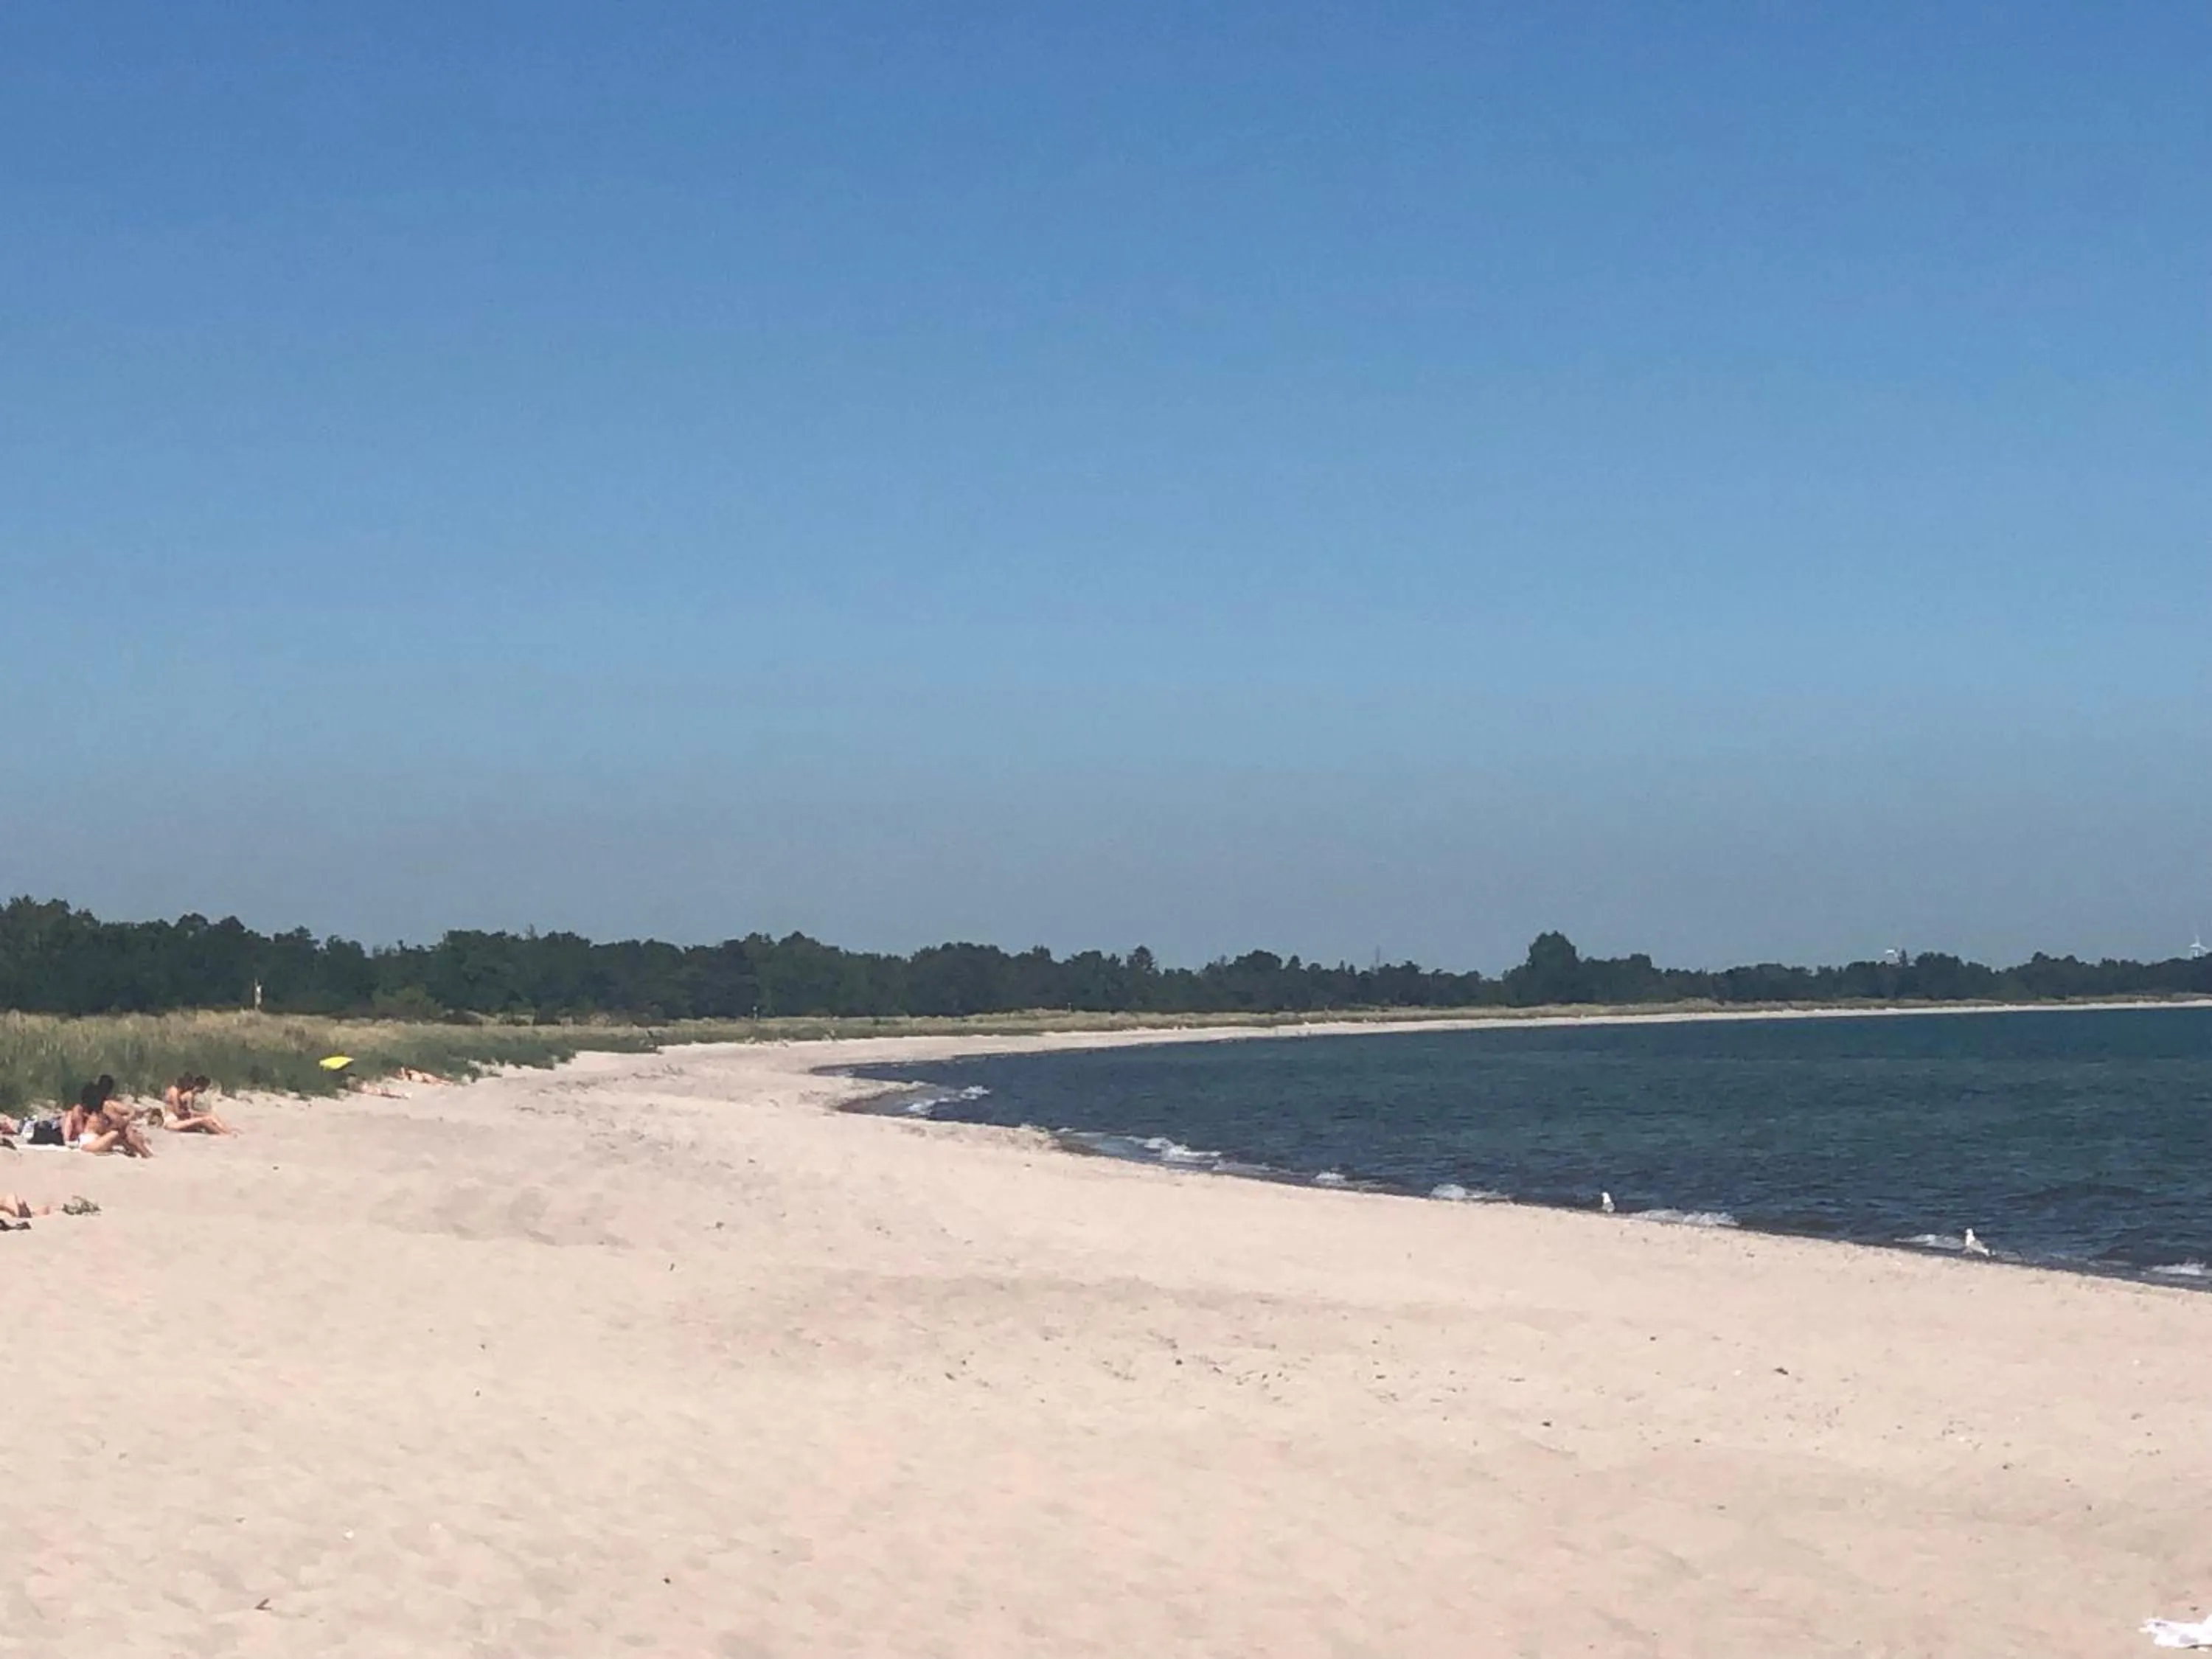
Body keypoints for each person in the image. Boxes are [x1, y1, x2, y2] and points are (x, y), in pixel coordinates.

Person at [161, 1074, 235, 1136]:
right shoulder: (174, 1091)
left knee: (210, 1116)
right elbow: (178, 1112)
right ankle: (222, 1134)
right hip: (171, 1122)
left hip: (175, 1121)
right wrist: (192, 1113)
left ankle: (226, 1131)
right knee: (203, 1120)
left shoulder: (177, 1091)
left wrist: (192, 1113)